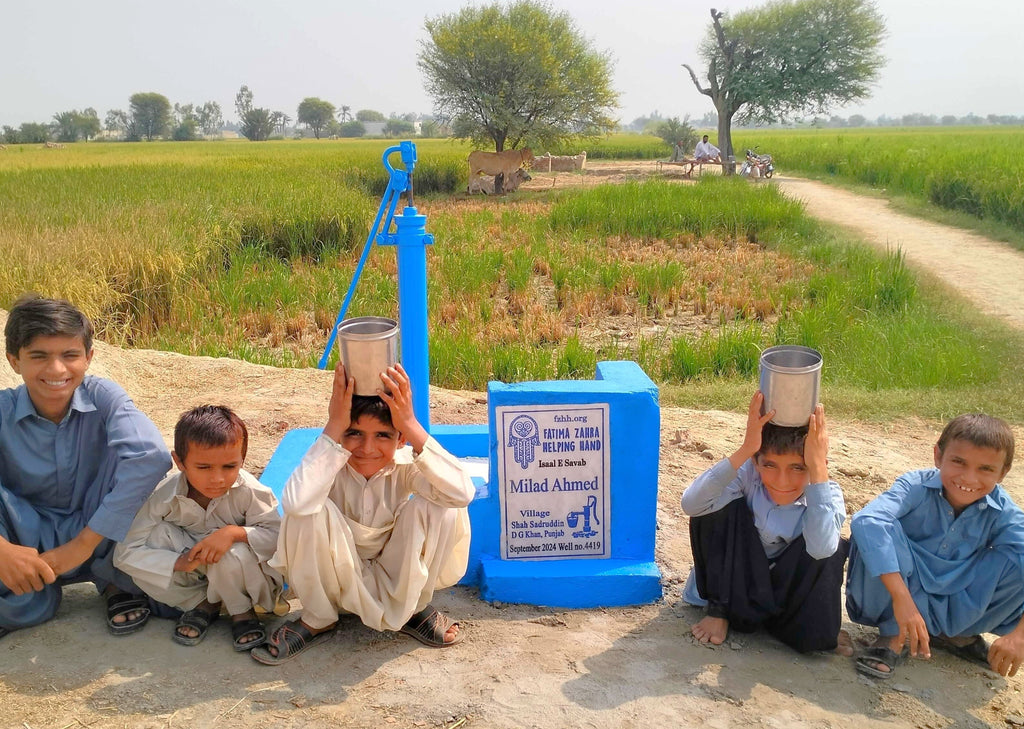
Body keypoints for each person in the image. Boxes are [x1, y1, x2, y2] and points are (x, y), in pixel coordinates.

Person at [251, 362, 473, 665]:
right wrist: (333, 427)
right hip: (338, 578)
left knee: (442, 503)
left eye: (383, 435)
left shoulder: (406, 465)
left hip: (393, 571)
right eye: (354, 433)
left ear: (400, 440)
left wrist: (409, 422)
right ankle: (319, 617)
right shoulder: (328, 462)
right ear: (341, 434)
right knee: (306, 512)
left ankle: (412, 608)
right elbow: (295, 504)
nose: (367, 448)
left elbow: (462, 493)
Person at [0, 295, 171, 641]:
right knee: (30, 603)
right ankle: (29, 591)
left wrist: (82, 544)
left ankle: (115, 583)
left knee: (141, 473)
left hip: (102, 531)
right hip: (24, 534)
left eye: (69, 355)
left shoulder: (104, 397)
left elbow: (152, 456)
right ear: (14, 361)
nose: (56, 370)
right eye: (39, 356)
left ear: (89, 358)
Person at [847, 413, 1024, 680]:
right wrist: (902, 600)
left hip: (956, 604)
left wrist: (1020, 637)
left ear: (1003, 473)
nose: (969, 478)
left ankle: (955, 635)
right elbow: (867, 521)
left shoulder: (1003, 512)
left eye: (985, 469)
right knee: (877, 528)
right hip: (897, 596)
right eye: (958, 462)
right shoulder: (915, 486)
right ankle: (894, 634)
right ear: (938, 456)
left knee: (1016, 558)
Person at [680, 391, 849, 654]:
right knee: (716, 507)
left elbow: (821, 550)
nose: (782, 482)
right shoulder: (747, 475)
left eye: (798, 468)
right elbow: (691, 504)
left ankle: (796, 629)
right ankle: (719, 611)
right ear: (756, 462)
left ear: (818, 466)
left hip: (784, 598)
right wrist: (746, 449)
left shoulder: (827, 492)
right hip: (736, 588)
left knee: (832, 540)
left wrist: (818, 473)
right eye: (770, 466)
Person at [114, 405, 283, 651]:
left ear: (242, 460)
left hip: (245, 573)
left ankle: (242, 612)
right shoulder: (164, 496)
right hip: (195, 571)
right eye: (204, 468)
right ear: (179, 462)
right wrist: (176, 562)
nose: (217, 479)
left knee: (231, 553)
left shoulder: (251, 492)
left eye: (229, 467)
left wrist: (233, 533)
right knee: (153, 537)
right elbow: (125, 552)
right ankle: (205, 603)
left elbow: (278, 538)